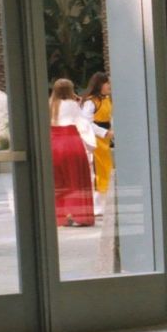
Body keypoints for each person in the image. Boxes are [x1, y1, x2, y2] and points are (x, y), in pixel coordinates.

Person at [49, 78, 95, 227]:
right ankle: (77, 215)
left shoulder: (50, 104)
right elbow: (83, 124)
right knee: (75, 179)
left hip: (53, 143)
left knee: (59, 182)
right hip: (71, 142)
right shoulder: (73, 104)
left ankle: (62, 215)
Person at [80, 71, 113, 215]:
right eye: (107, 83)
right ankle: (98, 205)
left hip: (104, 139)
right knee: (98, 170)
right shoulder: (91, 102)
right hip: (94, 139)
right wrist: (104, 132)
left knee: (106, 169)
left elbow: (109, 117)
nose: (109, 85)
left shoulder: (106, 100)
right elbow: (86, 122)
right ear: (100, 84)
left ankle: (103, 203)